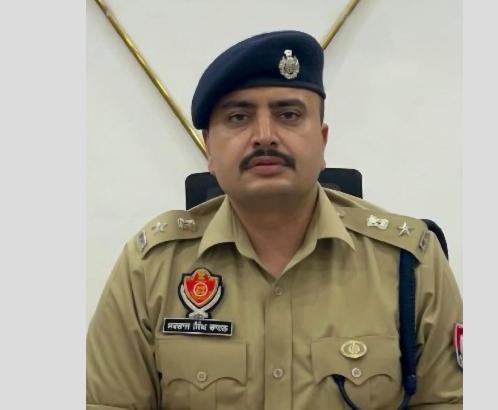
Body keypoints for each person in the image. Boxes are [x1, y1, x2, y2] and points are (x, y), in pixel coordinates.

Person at [87, 30, 463, 409]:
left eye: (288, 115)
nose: (265, 136)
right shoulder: (150, 268)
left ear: (323, 141)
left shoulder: (409, 263)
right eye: (238, 117)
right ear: (209, 149)